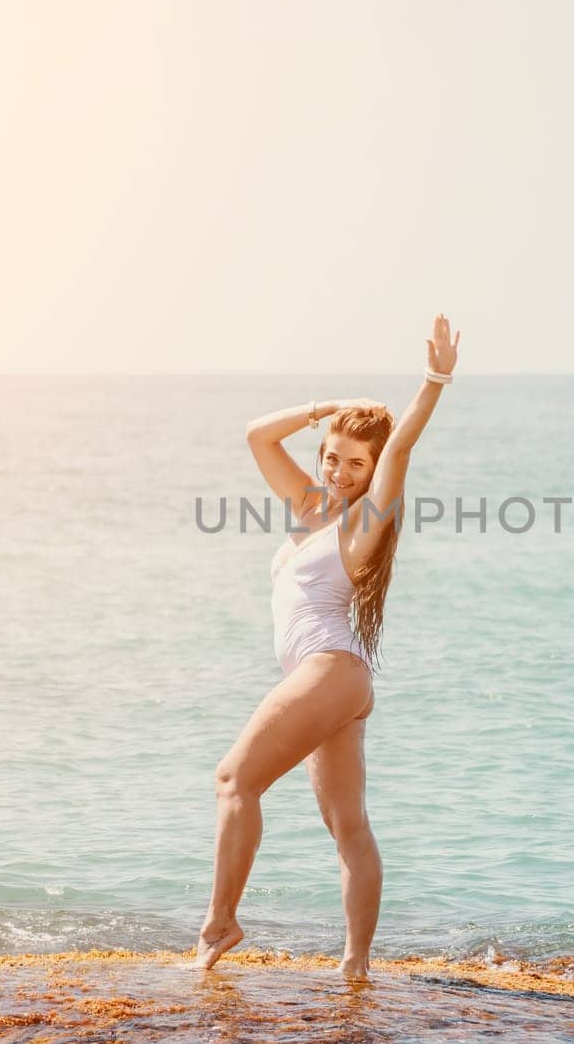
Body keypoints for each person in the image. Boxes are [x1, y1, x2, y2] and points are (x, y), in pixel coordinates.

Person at [192, 314, 462, 981]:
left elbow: (398, 452)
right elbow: (257, 434)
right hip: (340, 681)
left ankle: (221, 923)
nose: (339, 470)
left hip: (331, 670)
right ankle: (356, 967)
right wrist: (327, 410)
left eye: (355, 463)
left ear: (372, 473)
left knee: (234, 779)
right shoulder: (313, 509)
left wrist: (434, 380)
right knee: (348, 826)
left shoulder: (366, 524)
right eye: (331, 456)